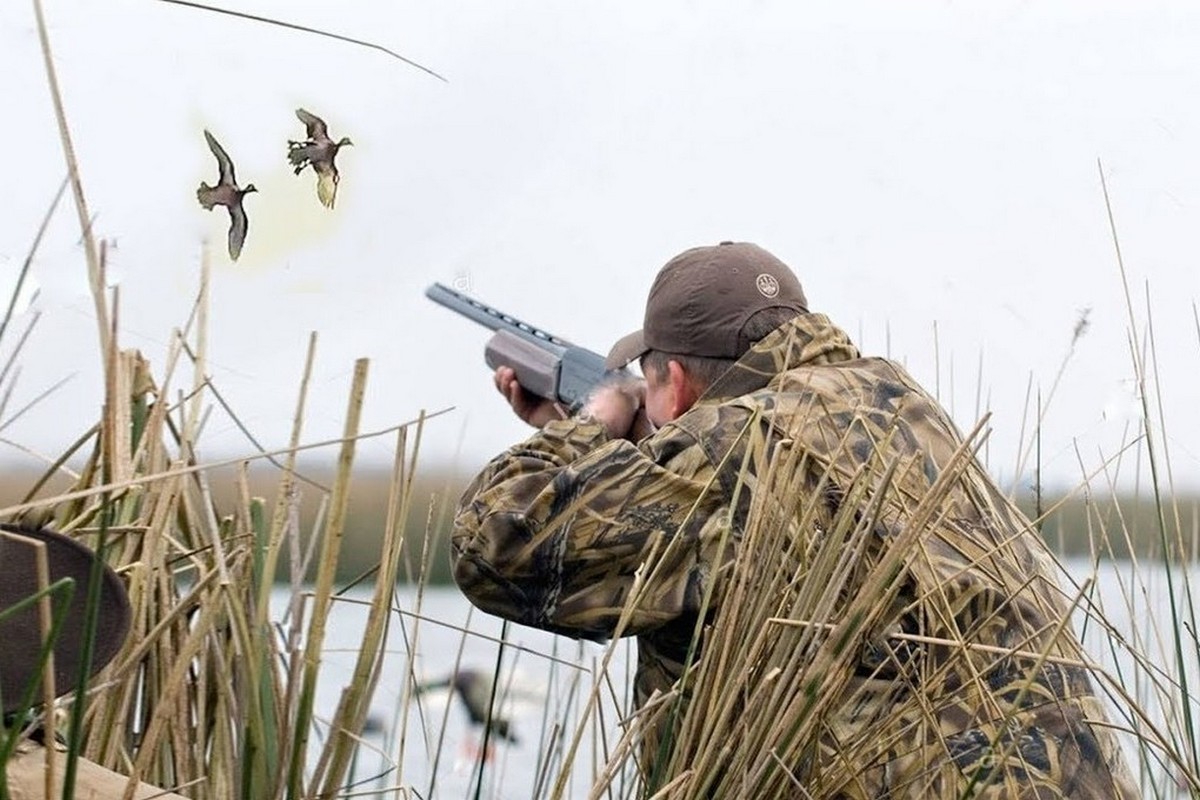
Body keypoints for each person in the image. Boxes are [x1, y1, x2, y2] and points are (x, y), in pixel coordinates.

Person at [450, 241, 1138, 797]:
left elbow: (494, 545)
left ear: (678, 385)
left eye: (647, 380)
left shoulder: (724, 450)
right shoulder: (902, 406)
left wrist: (589, 431)